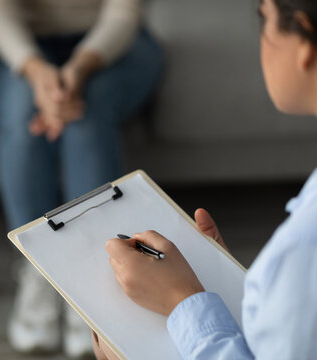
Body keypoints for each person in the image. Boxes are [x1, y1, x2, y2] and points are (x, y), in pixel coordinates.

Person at [95, 0, 317, 358]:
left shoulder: (306, 247)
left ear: (305, 42)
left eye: (264, 18)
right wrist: (244, 287)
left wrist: (181, 300)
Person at [0, 0, 163, 357]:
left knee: (85, 117)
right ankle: (39, 267)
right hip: (19, 44)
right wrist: (36, 72)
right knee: (21, 118)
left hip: (114, 40)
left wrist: (76, 71)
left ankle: (91, 268)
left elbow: (123, 14)